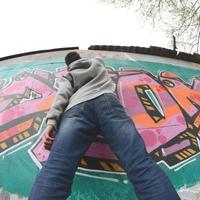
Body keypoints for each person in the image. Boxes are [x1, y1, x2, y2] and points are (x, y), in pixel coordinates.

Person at [29, 52, 180, 200]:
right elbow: (100, 57)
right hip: (108, 103)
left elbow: (62, 95)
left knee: (57, 168)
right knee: (139, 162)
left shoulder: (68, 76)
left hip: (77, 109)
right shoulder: (96, 64)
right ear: (81, 59)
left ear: (68, 66)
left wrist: (51, 122)